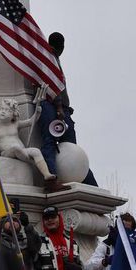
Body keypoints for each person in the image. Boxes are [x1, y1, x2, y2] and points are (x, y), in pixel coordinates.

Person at [38, 32, 98, 187]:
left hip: (61, 107)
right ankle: (51, 179)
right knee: (51, 141)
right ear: (62, 47)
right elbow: (52, 86)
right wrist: (59, 108)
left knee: (71, 148)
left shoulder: (52, 58)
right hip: (51, 105)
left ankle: (89, 184)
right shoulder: (48, 58)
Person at [0, 98, 68, 193]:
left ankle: (47, 175)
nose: (3, 112)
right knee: (16, 148)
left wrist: (38, 112)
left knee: (36, 151)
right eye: (2, 109)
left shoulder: (15, 124)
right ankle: (31, 162)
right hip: (6, 153)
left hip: (22, 151)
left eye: (7, 110)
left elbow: (31, 121)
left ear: (13, 115)